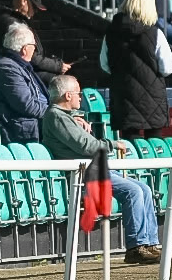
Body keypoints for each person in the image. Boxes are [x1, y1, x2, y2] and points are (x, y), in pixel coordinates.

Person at [39, 74, 161, 264]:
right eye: (78, 93)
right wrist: (113, 144)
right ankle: (136, 247)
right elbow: (87, 146)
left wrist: (76, 119)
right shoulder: (56, 116)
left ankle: (150, 243)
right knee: (133, 191)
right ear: (67, 95)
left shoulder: (64, 117)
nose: (81, 97)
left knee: (144, 189)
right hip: (84, 174)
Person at [101, 0, 172, 139]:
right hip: (152, 99)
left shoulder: (110, 33)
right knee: (154, 148)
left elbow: (104, 64)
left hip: (123, 96)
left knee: (130, 148)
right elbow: (167, 68)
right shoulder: (156, 34)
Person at [0, 25, 51, 143]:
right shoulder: (7, 68)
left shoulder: (16, 65)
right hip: (18, 130)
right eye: (34, 46)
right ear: (25, 49)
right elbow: (27, 105)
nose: (35, 50)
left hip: (33, 124)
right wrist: (56, 114)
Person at [0, 0, 69, 84]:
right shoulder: (13, 24)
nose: (34, 12)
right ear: (24, 0)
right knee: (60, 83)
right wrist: (57, 66)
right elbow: (29, 56)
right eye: (34, 7)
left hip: (18, 69)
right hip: (14, 72)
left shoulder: (13, 20)